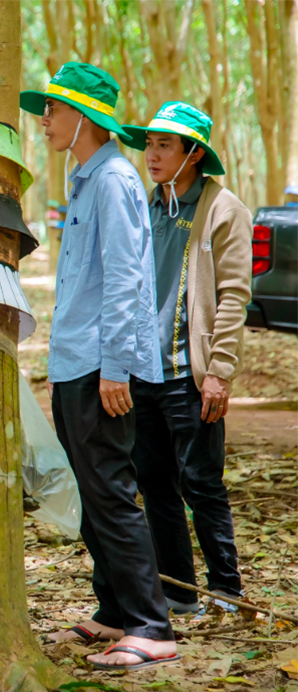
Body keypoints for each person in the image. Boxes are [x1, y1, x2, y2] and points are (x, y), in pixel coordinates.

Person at [21, 63, 179, 671]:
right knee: (91, 489)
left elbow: (125, 280)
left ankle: (150, 624)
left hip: (100, 365)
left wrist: (116, 367)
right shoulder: (83, 176)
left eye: (53, 110)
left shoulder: (113, 179)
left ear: (82, 117)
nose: (44, 120)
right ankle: (114, 609)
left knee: (111, 491)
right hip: (73, 360)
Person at [119, 102, 251, 614]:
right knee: (153, 483)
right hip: (142, 371)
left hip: (190, 375)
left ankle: (226, 590)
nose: (151, 154)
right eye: (149, 144)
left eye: (164, 145)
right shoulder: (144, 205)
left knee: (201, 482)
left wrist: (219, 371)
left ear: (193, 154)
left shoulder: (223, 210)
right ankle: (178, 592)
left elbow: (235, 294)